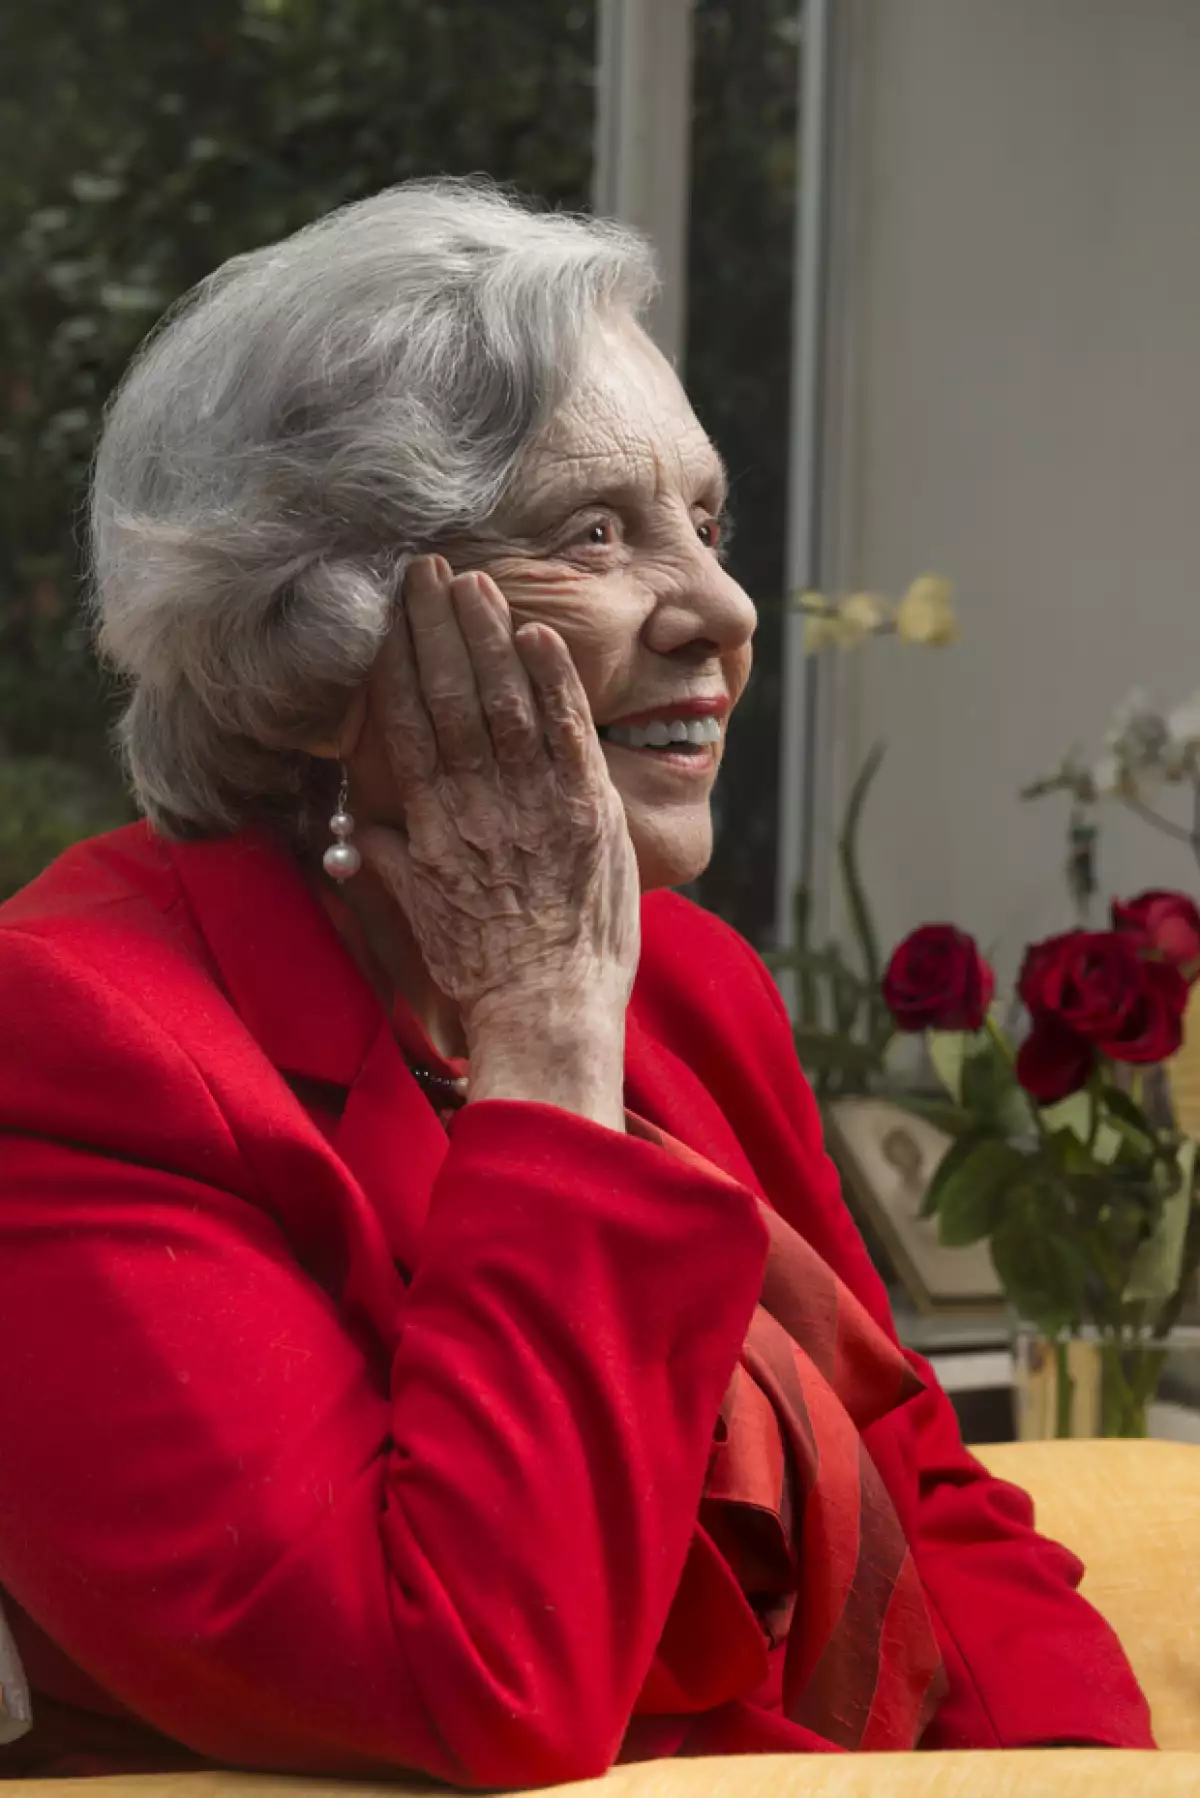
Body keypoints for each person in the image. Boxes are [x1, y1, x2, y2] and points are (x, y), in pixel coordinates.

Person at [0, 179, 1153, 1785]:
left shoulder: (684, 984)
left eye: (710, 520)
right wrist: (544, 1021)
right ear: (317, 640)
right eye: (595, 532)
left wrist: (1090, 1773)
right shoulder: (71, 1045)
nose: (728, 610)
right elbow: (467, 1679)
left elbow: (923, 1484)